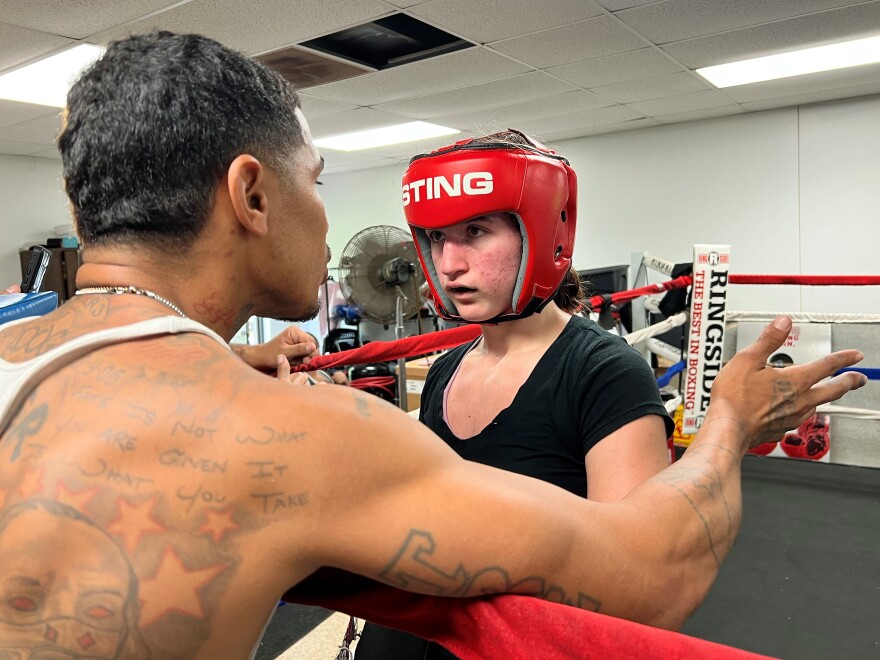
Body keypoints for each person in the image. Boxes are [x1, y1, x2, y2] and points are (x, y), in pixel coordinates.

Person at [0, 30, 866, 659]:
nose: (328, 211)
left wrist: (215, 367)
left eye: (478, 232)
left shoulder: (23, 355)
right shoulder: (305, 436)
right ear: (251, 197)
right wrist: (729, 424)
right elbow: (658, 569)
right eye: (317, 178)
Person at [356, 130, 675, 659]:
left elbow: (631, 577)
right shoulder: (446, 371)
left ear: (542, 231)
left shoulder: (603, 372)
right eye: (436, 238)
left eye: (476, 230)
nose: (450, 263)